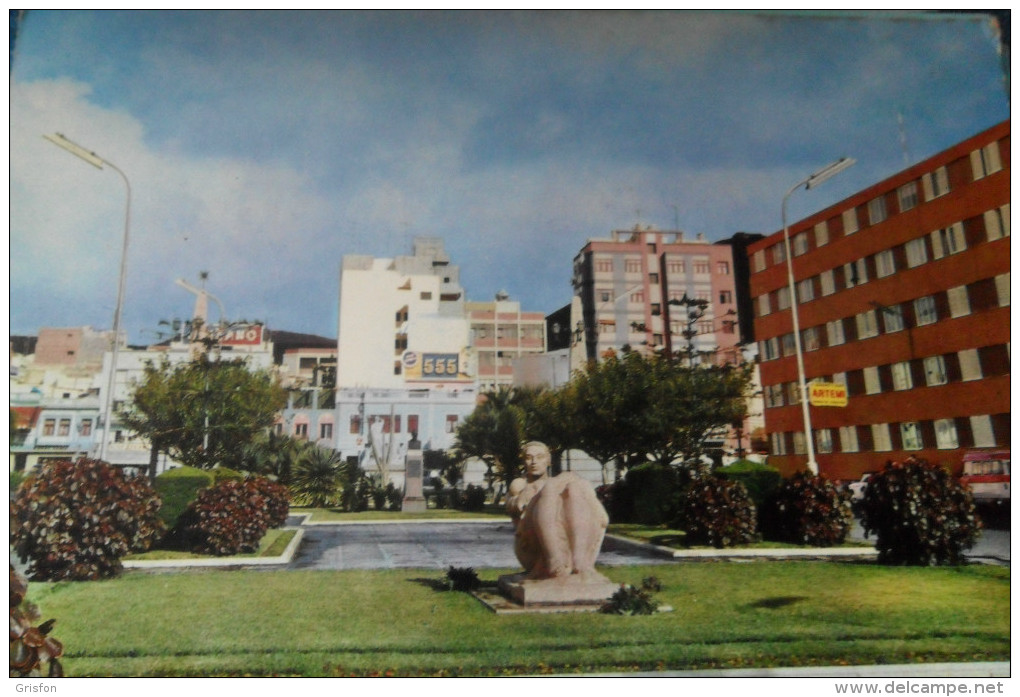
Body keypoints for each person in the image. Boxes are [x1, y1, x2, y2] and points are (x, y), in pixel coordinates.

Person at [506, 441, 609, 580]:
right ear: (524, 461)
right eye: (529, 457)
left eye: (540, 457)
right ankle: (554, 560)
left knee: (574, 488)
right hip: (533, 549)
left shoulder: (561, 484)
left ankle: (579, 561)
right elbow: (516, 506)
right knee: (550, 487)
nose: (534, 462)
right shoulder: (520, 484)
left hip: (565, 541)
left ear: (548, 460)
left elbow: (603, 518)